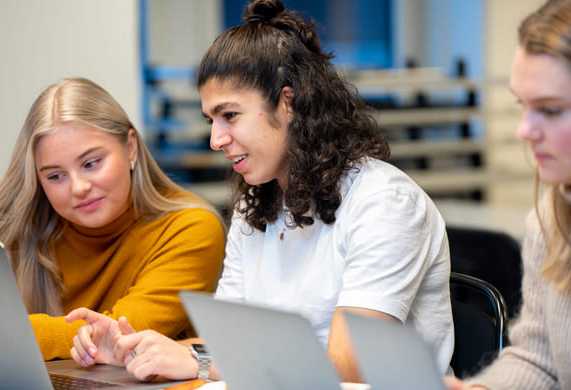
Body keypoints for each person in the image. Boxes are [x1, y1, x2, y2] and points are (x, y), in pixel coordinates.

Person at [68, 0, 453, 382]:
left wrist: (197, 362)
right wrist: (134, 349)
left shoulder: (384, 202)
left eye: (229, 115)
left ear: (288, 103)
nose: (216, 139)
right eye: (211, 120)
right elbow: (230, 346)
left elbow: (345, 370)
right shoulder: (256, 203)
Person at [0, 77, 226, 361]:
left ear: (130, 147)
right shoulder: (19, 224)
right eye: (55, 176)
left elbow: (117, 337)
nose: (78, 188)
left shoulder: (190, 227)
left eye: (91, 163)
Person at [445, 1, 571, 389]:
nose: (524, 130)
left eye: (549, 110)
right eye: (524, 106)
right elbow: (540, 359)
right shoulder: (550, 221)